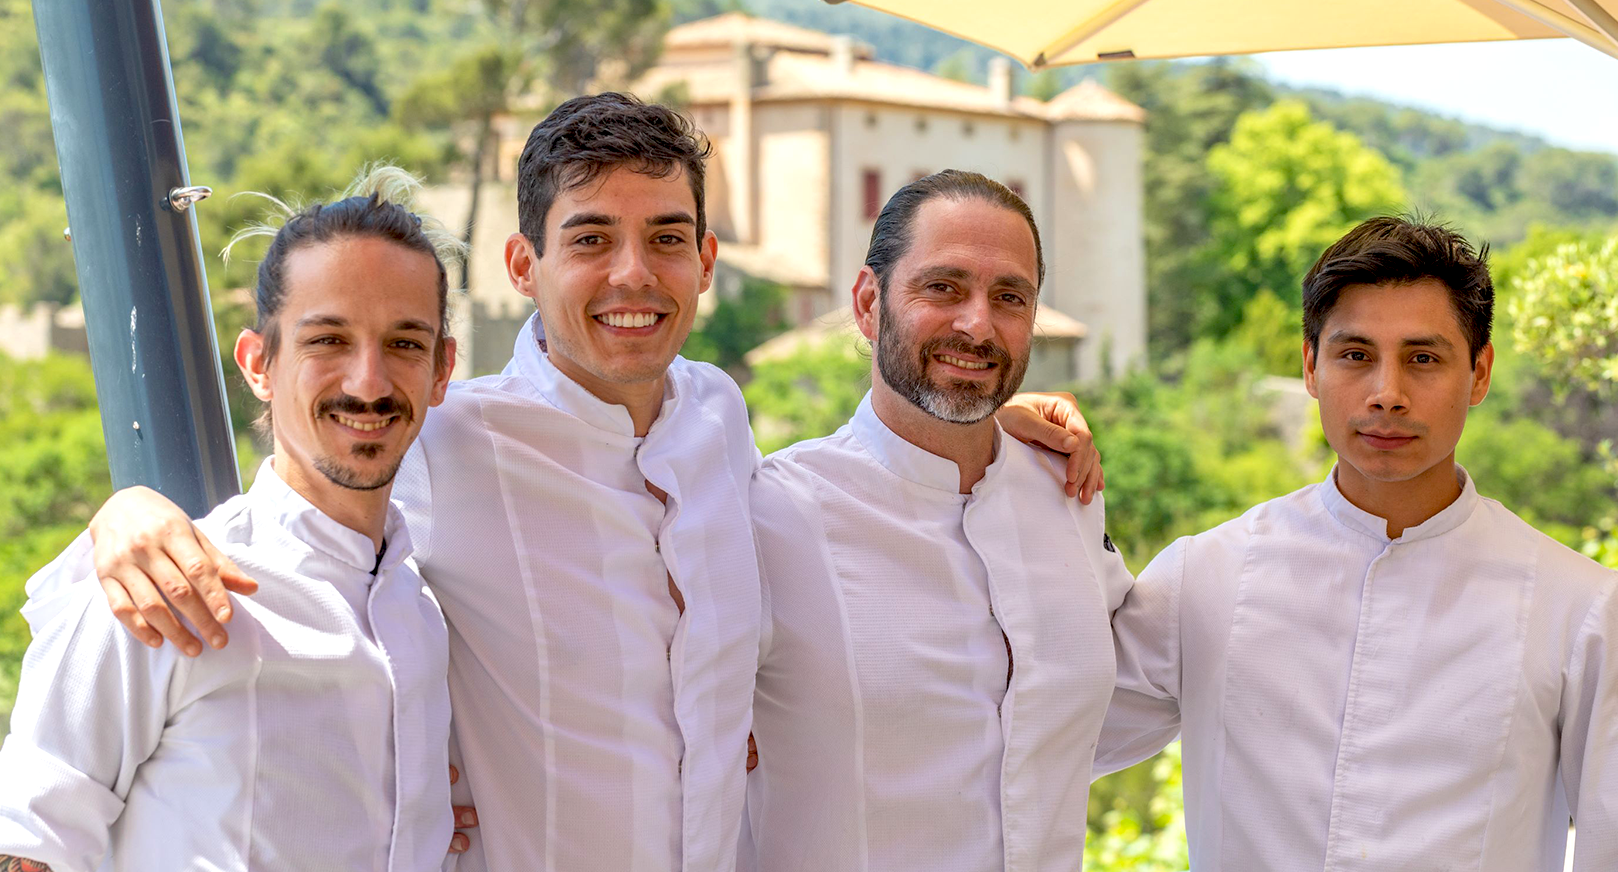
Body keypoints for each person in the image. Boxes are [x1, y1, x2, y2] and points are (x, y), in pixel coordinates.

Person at [66, 94, 1098, 872]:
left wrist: (981, 420)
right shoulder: (446, 434)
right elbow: (301, 499)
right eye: (590, 239)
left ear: (705, 260)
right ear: (524, 262)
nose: (631, 276)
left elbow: (843, 481)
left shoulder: (717, 414)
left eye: (664, 239)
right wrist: (129, 511)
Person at [1094, 216, 1618, 872]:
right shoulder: (1208, 576)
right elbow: (1042, 738)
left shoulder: (1580, 611)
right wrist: (1014, 473)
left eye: (1423, 358)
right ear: (1311, 366)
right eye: (1356, 355)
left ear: (1479, 373)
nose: (1387, 394)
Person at [0, 169, 465, 871]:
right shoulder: (159, 588)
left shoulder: (430, 613)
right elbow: (30, 842)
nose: (368, 382)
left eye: (403, 343)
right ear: (258, 363)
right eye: (328, 340)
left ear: (441, 370)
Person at [745, 171, 1134, 871]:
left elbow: (1123, 691)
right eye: (943, 288)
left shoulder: (1066, 488)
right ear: (869, 304)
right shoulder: (772, 511)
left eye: (1009, 297)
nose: (978, 325)